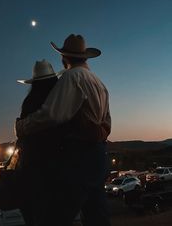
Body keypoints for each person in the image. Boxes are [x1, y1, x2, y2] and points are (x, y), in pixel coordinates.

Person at [16, 34, 112, 226]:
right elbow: (107, 121)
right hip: (99, 154)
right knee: (96, 215)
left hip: (80, 155)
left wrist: (23, 126)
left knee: (58, 215)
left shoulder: (71, 77)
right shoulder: (98, 82)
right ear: (84, 57)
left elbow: (52, 114)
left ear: (64, 57)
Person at [13, 59, 68, 226]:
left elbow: (22, 134)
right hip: (57, 164)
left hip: (31, 165)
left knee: (35, 213)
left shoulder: (29, 102)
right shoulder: (59, 102)